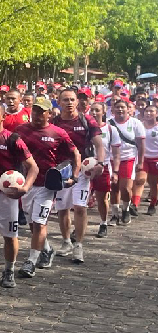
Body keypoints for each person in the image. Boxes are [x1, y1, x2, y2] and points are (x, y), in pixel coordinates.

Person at [14, 98, 79, 277]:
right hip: (26, 184)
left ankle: (31, 261)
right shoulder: (20, 130)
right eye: (34, 111)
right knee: (32, 224)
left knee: (40, 223)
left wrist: (74, 176)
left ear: (49, 114)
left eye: (41, 111)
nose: (36, 114)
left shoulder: (58, 133)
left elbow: (75, 154)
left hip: (47, 185)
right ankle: (47, 249)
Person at [0, 103, 38, 288]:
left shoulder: (12, 139)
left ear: (3, 116)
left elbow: (33, 167)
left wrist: (25, 188)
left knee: (9, 236)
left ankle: (9, 270)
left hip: (6, 197)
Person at [51, 88, 104, 263]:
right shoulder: (54, 122)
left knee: (80, 207)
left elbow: (99, 144)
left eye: (72, 99)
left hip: (82, 170)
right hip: (62, 170)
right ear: (59, 102)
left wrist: (100, 163)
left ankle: (78, 245)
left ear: (77, 101)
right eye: (65, 100)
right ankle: (66, 241)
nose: (69, 103)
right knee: (62, 208)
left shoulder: (86, 120)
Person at [109, 99, 145, 225]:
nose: (120, 110)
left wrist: (141, 162)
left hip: (128, 158)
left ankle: (125, 209)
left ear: (128, 109)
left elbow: (141, 144)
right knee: (113, 187)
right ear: (113, 110)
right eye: (117, 107)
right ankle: (114, 214)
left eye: (122, 107)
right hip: (111, 159)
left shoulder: (135, 123)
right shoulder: (108, 123)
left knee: (125, 188)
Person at [88, 102, 121, 237]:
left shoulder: (111, 129)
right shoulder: (84, 128)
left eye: (97, 110)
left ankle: (103, 223)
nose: (94, 113)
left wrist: (116, 172)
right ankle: (79, 225)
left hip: (103, 167)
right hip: (86, 167)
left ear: (103, 112)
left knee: (101, 198)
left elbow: (116, 154)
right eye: (92, 110)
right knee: (82, 199)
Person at [140, 105, 158, 215]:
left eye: (151, 111)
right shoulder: (139, 125)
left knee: (153, 183)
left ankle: (153, 203)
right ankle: (134, 204)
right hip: (143, 158)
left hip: (155, 159)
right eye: (147, 111)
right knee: (140, 180)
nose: (148, 113)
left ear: (156, 114)